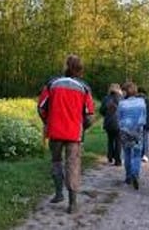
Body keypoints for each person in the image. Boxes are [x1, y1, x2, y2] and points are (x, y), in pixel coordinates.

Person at [37, 54, 94, 214]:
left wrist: (48, 122)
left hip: (55, 131)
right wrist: (83, 127)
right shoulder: (84, 88)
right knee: (73, 165)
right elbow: (90, 115)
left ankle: (58, 194)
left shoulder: (52, 84)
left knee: (56, 161)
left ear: (66, 66)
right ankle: (73, 203)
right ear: (80, 69)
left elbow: (41, 108)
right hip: (74, 134)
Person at [117, 82, 147, 190]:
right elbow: (144, 117)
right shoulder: (142, 102)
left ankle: (128, 176)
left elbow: (118, 118)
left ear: (125, 91)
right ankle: (136, 174)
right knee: (137, 154)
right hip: (137, 130)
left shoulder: (121, 103)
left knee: (127, 154)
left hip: (125, 130)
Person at [99, 83, 123, 166]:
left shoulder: (106, 98)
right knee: (118, 141)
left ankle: (110, 157)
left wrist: (107, 114)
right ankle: (118, 160)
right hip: (119, 122)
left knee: (110, 140)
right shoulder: (121, 99)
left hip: (109, 122)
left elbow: (101, 111)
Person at [137, 87, 149, 163]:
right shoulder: (148, 100)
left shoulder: (134, 100)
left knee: (137, 138)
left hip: (136, 122)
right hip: (146, 122)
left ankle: (137, 153)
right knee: (145, 139)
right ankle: (144, 155)